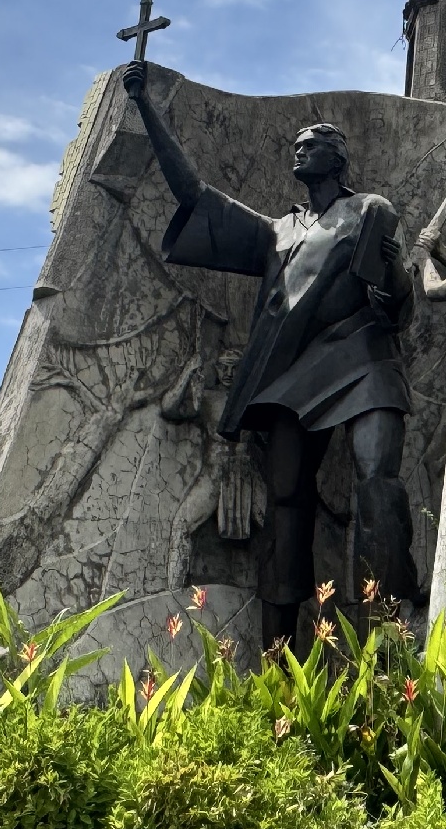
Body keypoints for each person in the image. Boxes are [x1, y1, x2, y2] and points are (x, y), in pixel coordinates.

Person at [123, 60, 418, 647]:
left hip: (363, 360)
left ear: (338, 159)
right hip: (293, 377)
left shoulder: (368, 211)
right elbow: (195, 194)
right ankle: (282, 662)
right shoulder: (277, 233)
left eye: (312, 144)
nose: (299, 151)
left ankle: (390, 635)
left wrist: (393, 283)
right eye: (296, 145)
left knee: (374, 480)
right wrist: (146, 110)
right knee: (286, 502)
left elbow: (398, 302)